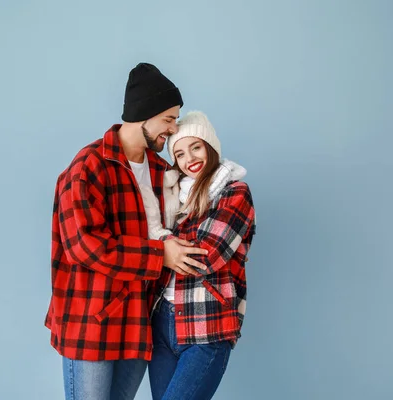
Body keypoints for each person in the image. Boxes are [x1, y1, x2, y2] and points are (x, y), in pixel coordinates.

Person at [44, 63, 209, 400]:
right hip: (92, 324)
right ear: (142, 115)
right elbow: (86, 247)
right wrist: (160, 254)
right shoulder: (87, 168)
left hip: (138, 323)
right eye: (168, 119)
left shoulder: (164, 170)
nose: (174, 129)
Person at [139, 111, 256, 400]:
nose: (189, 158)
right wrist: (162, 246)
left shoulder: (235, 193)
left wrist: (160, 238)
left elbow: (203, 257)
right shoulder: (172, 197)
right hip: (162, 324)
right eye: (179, 153)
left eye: (196, 147)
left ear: (210, 146)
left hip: (207, 326)